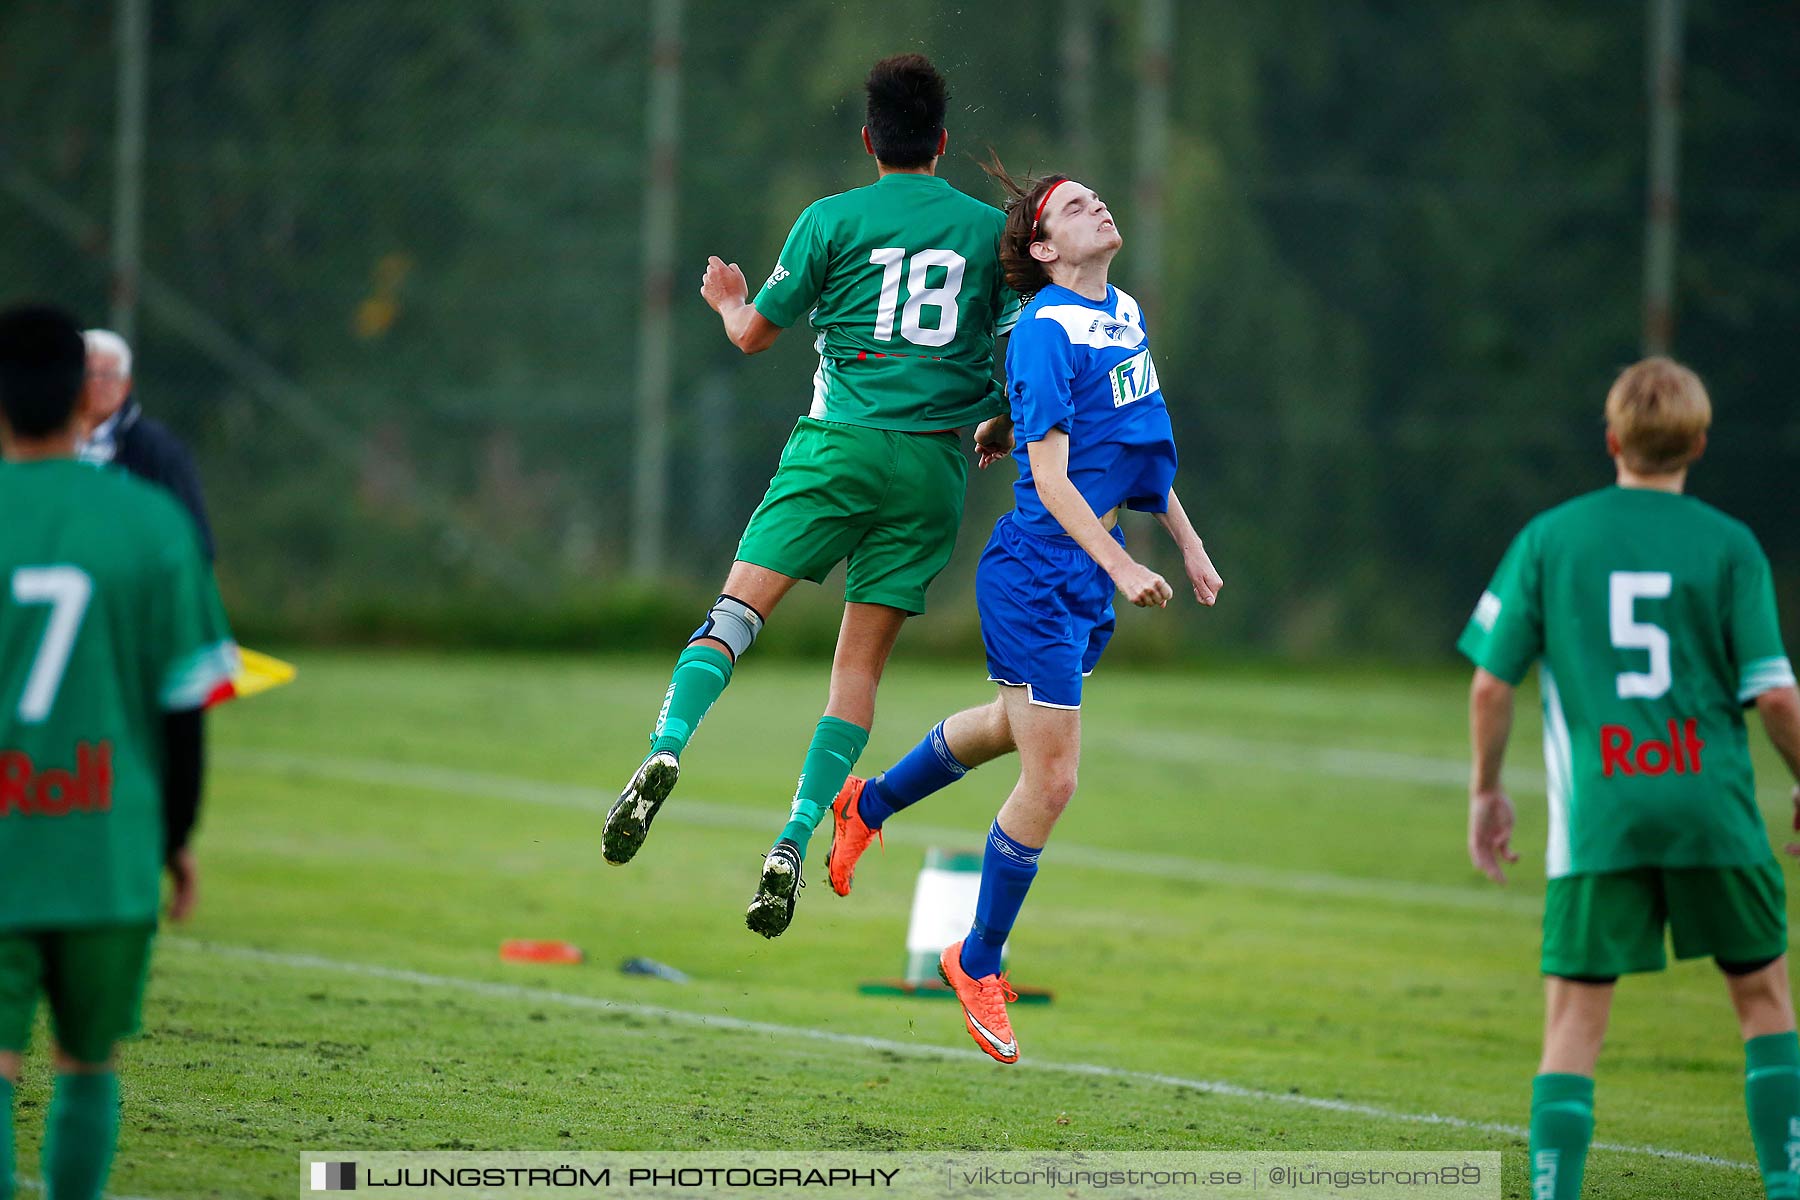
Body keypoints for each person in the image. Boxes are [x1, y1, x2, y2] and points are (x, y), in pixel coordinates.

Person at [602, 53, 1019, 940]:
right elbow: (1022, 360)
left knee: (736, 613)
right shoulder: (991, 232)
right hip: (932, 469)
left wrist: (729, 301)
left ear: (871, 140)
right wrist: (995, 423)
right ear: (942, 142)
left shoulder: (830, 219)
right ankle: (793, 837)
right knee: (857, 668)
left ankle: (667, 747)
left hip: (838, 447)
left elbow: (754, 338)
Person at [826, 165, 1224, 1064]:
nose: (1099, 205)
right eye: (1074, 207)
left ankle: (869, 802)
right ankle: (976, 959)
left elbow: (1144, 454)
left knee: (1013, 729)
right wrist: (1123, 563)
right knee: (1054, 780)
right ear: (1044, 251)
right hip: (1042, 572)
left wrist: (1188, 544)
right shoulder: (1045, 330)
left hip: (1080, 576)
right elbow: (1048, 477)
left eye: (1097, 195)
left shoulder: (1122, 315)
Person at [1456, 357, 1800, 1200]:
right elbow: (1776, 694)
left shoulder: (1551, 536)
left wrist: (1486, 789)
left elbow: (1492, 683)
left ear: (1611, 438)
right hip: (1712, 807)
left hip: (1600, 814)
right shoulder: (1730, 546)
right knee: (1762, 998)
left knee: (1575, 1021)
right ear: (1700, 442)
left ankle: (1554, 1191)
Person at [0, 305, 238, 1199]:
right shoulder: (149, 524)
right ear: (84, 400)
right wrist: (174, 836)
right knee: (87, 1066)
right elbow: (188, 708)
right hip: (105, 842)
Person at [79, 328, 215, 563]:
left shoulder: (156, 448)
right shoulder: (45, 443)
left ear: (126, 385)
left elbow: (193, 532)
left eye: (107, 375)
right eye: (88, 374)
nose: (96, 384)